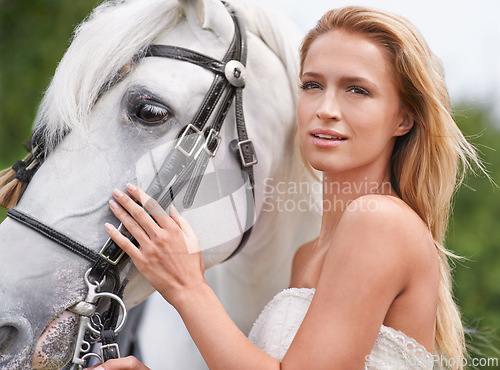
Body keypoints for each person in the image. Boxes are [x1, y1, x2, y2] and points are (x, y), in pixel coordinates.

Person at [89, 6, 482, 369]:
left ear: (404, 119)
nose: (326, 108)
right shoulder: (308, 254)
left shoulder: (380, 222)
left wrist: (187, 287)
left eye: (356, 90)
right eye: (312, 85)